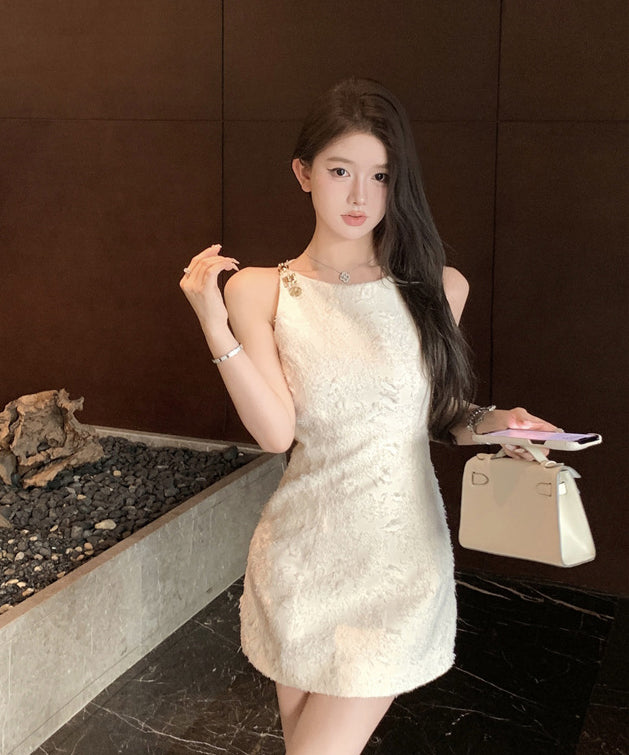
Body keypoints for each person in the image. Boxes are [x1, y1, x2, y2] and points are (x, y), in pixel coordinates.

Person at [179, 78, 558, 755]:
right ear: (303, 173)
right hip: (300, 561)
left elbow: (439, 414)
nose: (359, 196)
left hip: (399, 563)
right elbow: (275, 434)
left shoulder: (438, 287)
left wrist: (500, 422)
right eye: (339, 171)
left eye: (380, 176)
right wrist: (214, 324)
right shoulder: (260, 290)